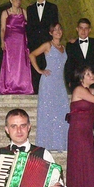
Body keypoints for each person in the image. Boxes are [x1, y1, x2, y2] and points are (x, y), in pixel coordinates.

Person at [66, 66, 94, 187]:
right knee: (80, 160)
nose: (91, 76)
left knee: (88, 160)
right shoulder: (79, 89)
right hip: (78, 129)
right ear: (82, 78)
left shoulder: (90, 90)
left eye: (91, 73)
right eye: (88, 74)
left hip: (87, 130)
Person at [29, 22, 69, 151]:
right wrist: (40, 70)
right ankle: (46, 144)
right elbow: (32, 55)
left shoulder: (64, 47)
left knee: (62, 112)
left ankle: (60, 144)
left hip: (60, 83)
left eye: (59, 29)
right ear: (50, 33)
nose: (58, 31)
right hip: (48, 81)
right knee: (47, 112)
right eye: (54, 29)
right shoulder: (48, 45)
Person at [0, 0, 34, 95]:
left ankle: (22, 86)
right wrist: (2, 41)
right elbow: (3, 28)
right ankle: (9, 85)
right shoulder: (5, 13)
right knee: (10, 64)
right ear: (11, 0)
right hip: (10, 41)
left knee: (21, 63)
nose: (18, 0)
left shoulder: (23, 11)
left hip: (21, 41)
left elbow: (31, 24)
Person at [26, 0, 59, 93]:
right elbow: (29, 25)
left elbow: (55, 24)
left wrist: (53, 40)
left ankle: (48, 89)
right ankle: (36, 89)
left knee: (48, 64)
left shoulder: (52, 7)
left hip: (47, 40)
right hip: (34, 41)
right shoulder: (30, 8)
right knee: (35, 64)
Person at [64, 18, 94, 86]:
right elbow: (68, 63)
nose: (83, 31)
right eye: (81, 28)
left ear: (90, 30)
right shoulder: (70, 45)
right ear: (77, 29)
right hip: (77, 81)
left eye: (86, 28)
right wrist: (68, 81)